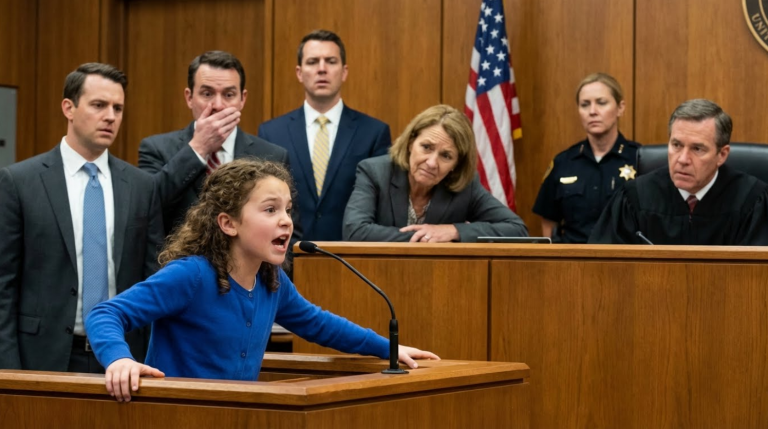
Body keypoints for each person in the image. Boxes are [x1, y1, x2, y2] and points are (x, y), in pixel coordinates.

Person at [85, 159, 439, 402]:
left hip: (240, 416)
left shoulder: (273, 280)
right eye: (270, 210)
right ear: (228, 223)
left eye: (287, 208)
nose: (286, 220)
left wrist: (388, 348)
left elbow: (320, 325)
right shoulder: (191, 274)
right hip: (178, 415)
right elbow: (105, 315)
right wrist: (119, 359)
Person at [0, 63, 164, 373]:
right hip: (40, 357)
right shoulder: (19, 182)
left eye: (118, 108)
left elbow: (152, 280)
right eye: (99, 105)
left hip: (124, 358)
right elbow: (3, 285)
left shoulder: (142, 187)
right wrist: (8, 370)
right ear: (69, 108)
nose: (111, 117)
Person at [139, 50, 296, 238]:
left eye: (229, 94)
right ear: (189, 98)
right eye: (207, 93)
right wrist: (198, 148)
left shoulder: (271, 155)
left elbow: (287, 229)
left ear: (242, 99)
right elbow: (146, 209)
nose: (218, 105)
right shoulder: (156, 149)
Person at [258, 29, 391, 241]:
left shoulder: (374, 133)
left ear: (344, 71)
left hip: (352, 255)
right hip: (287, 257)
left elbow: (381, 206)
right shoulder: (271, 132)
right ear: (299, 73)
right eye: (312, 62)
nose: (322, 69)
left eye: (330, 61)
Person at [589, 99, 768, 245]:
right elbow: (604, 269)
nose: (682, 159)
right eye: (676, 145)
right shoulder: (635, 198)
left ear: (721, 154)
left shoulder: (751, 201)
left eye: (697, 149)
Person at [342, 104, 528, 242]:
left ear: (456, 164)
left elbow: (517, 229)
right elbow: (354, 231)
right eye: (426, 147)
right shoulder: (375, 172)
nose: (431, 163)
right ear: (410, 143)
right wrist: (426, 236)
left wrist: (453, 231)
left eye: (446, 156)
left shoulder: (466, 186)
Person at [533, 73, 641, 243]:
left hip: (625, 262)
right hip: (572, 262)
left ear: (620, 108)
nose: (592, 111)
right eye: (585, 104)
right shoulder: (563, 162)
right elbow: (549, 223)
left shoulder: (640, 159)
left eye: (601, 103)